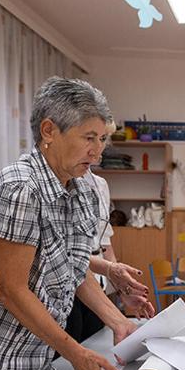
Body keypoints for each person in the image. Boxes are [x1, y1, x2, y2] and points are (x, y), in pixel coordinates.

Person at [0, 77, 138, 370]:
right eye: (88, 138)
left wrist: (117, 321)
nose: (97, 153)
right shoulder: (18, 190)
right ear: (49, 131)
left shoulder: (82, 188)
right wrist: (75, 353)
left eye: (102, 139)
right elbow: (11, 291)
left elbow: (74, 267)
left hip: (31, 358)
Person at [64, 146, 156, 345]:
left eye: (102, 139)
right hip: (67, 288)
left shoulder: (100, 185)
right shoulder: (60, 185)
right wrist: (111, 270)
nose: (98, 149)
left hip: (97, 282)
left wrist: (123, 288)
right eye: (90, 139)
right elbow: (66, 255)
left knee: (95, 343)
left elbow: (105, 244)